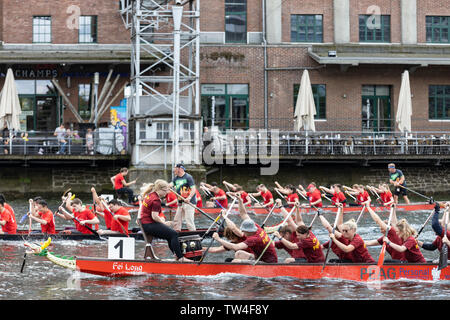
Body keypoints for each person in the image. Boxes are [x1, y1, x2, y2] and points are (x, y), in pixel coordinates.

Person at [211, 194, 277, 263]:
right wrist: (240, 200)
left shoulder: (254, 239)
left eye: (244, 231)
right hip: (258, 257)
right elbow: (243, 214)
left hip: (267, 262)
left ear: (249, 231)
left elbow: (235, 247)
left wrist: (218, 239)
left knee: (235, 262)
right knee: (239, 253)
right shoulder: (256, 227)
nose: (242, 232)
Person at [139, 179, 192, 262]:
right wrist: (164, 223)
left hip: (145, 223)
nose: (166, 193)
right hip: (149, 224)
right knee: (174, 234)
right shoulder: (156, 200)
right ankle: (181, 258)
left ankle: (177, 256)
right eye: (165, 191)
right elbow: (154, 216)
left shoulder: (150, 195)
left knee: (169, 235)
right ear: (160, 190)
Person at [170, 163, 197, 231]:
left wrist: (189, 197)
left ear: (180, 169)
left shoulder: (188, 177)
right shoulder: (176, 178)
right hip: (181, 202)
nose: (173, 170)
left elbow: (193, 189)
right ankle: (176, 233)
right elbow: (170, 185)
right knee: (177, 220)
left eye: (175, 168)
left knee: (189, 221)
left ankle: (193, 235)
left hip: (189, 202)